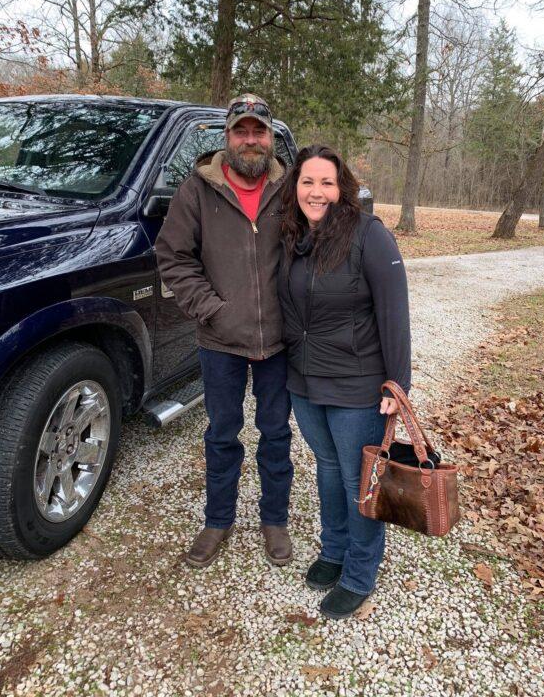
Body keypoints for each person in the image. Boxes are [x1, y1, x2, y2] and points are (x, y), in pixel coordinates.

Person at [155, 94, 293, 569]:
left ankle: (275, 519)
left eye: (259, 131)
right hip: (220, 341)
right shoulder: (198, 189)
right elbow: (173, 256)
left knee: (275, 434)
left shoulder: (290, 187)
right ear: (227, 136)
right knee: (222, 435)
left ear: (270, 138)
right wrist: (209, 308)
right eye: (241, 131)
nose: (250, 140)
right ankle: (218, 520)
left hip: (279, 341)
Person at [278, 144, 411, 619]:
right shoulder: (294, 236)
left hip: (357, 384)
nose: (317, 192)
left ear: (343, 188)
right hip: (306, 382)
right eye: (308, 182)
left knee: (360, 480)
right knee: (329, 468)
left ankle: (359, 572)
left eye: (327, 183)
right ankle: (333, 552)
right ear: (295, 187)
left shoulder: (368, 234)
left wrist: (398, 384)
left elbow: (394, 311)